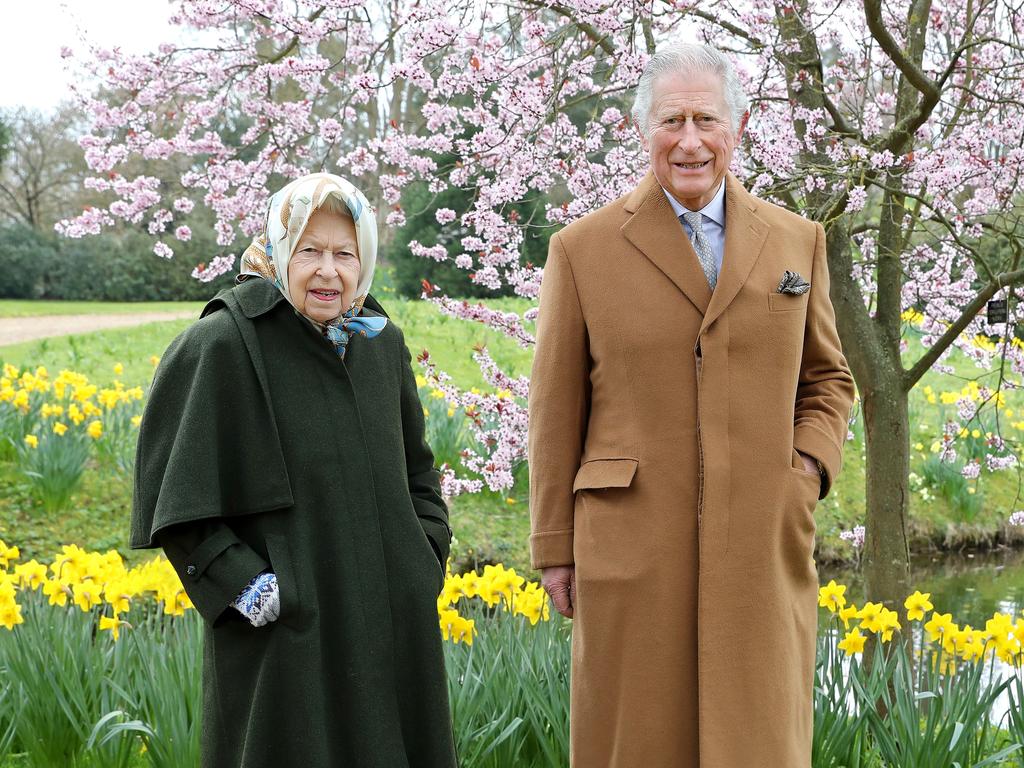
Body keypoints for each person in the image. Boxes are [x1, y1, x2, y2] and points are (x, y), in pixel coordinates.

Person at [528, 43, 855, 767]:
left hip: (761, 542)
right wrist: (553, 549)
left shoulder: (798, 241)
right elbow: (554, 411)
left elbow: (828, 380)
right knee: (637, 740)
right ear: (643, 130)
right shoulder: (581, 250)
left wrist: (804, 469)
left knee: (759, 740)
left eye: (707, 118)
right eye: (671, 119)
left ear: (737, 129)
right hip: (631, 545)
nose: (690, 139)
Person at [130, 173, 458, 768]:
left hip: (391, 621)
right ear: (281, 251)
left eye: (343, 253)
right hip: (284, 639)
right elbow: (175, 501)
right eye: (309, 251)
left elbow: (418, 471)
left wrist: (424, 553)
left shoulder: (380, 342)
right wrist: (251, 589)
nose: (327, 270)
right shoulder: (224, 342)